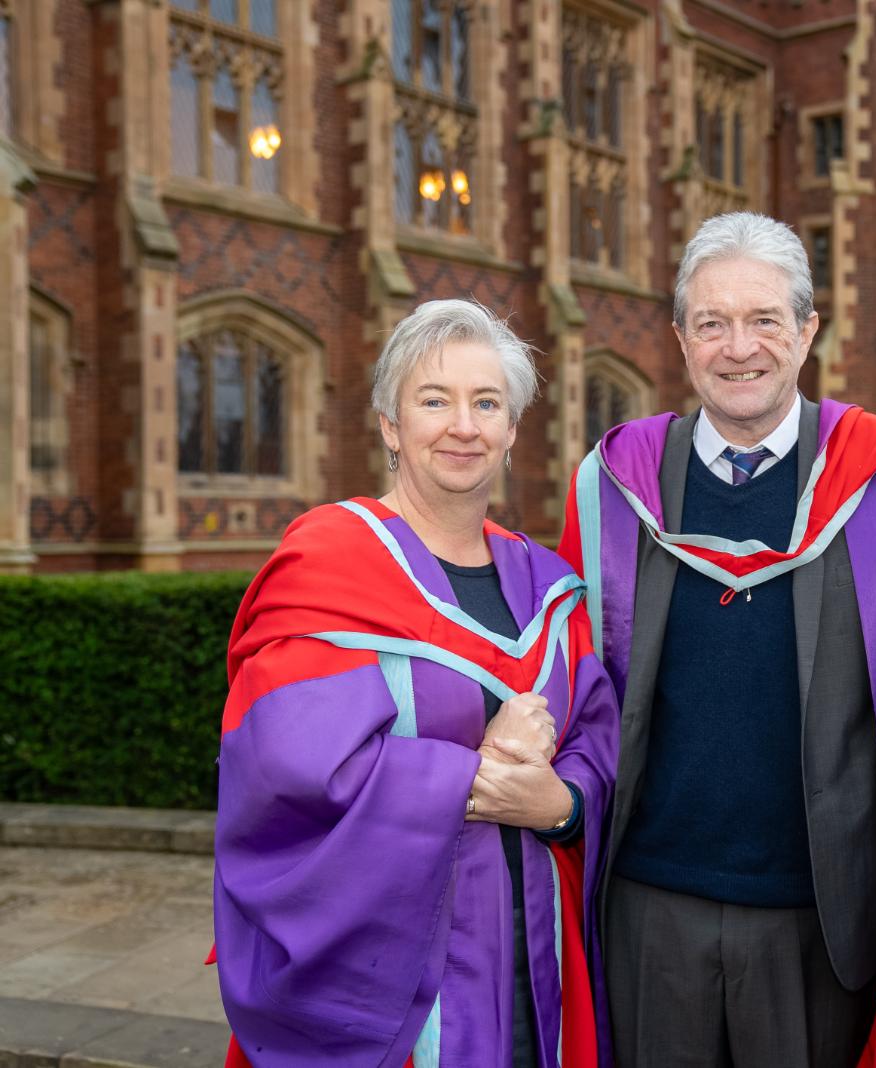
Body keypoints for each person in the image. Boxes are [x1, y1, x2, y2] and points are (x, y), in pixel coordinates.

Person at [558, 212, 876, 1068]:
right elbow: (574, 689)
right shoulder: (614, 483)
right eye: (712, 323)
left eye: (763, 321)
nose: (737, 347)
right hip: (649, 905)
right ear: (680, 338)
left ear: (807, 331)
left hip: (821, 915)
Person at [213, 299, 617, 1067]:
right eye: (434, 401)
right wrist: (479, 774)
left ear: (510, 433)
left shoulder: (551, 590)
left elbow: (598, 744)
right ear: (390, 426)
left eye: (486, 403)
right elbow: (289, 766)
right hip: (390, 982)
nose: (463, 425)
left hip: (539, 969)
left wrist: (562, 806)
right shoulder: (328, 567)